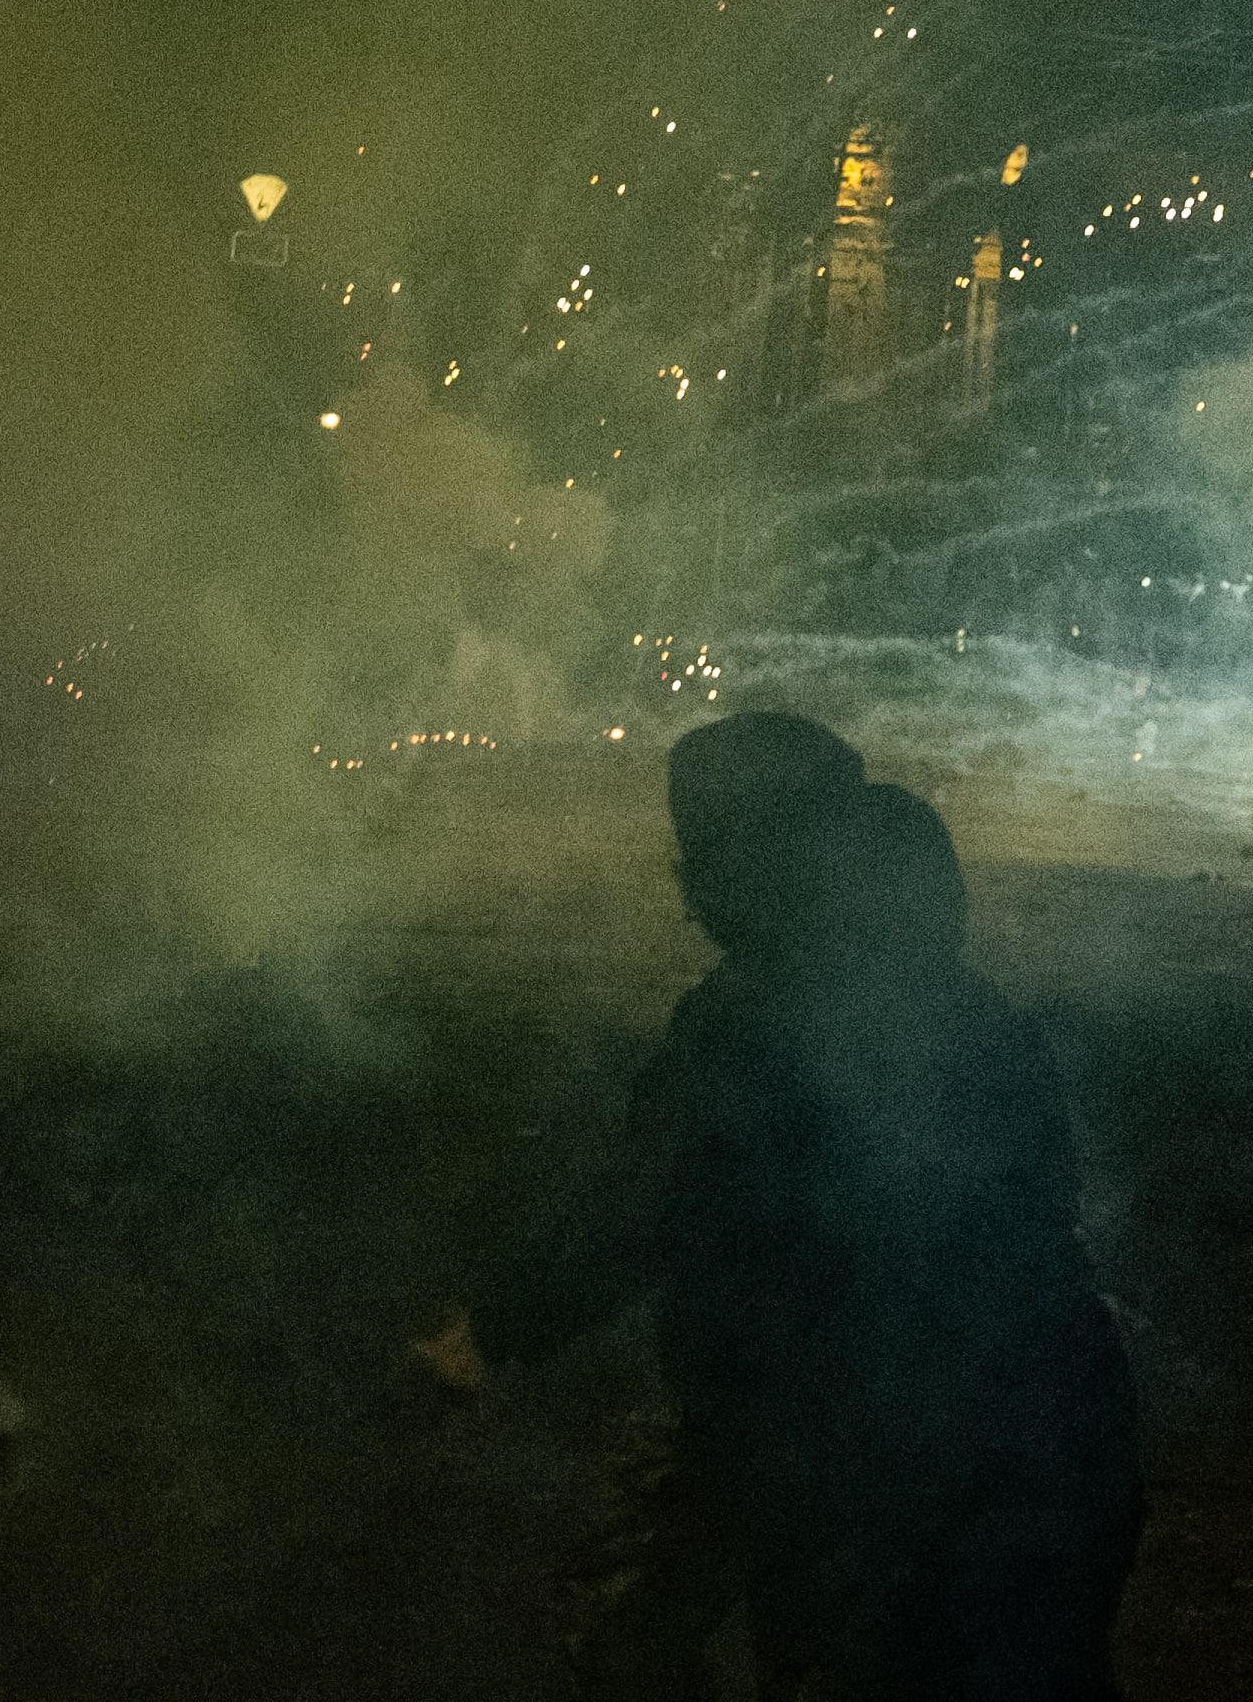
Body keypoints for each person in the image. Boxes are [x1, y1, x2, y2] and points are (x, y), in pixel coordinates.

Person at [423, 721, 1139, 1699]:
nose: (684, 891)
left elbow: (643, 1207)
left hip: (874, 1473)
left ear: (742, 862)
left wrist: (484, 1333)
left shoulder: (755, 1023)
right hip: (1062, 1436)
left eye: (697, 856)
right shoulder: (969, 1008)